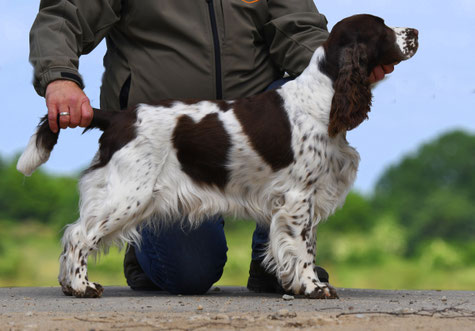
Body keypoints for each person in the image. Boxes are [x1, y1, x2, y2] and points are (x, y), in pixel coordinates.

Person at [30, 0, 394, 295]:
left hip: (255, 123)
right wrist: (58, 75)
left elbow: (297, 26)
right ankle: (129, 254)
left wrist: (341, 66)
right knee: (188, 274)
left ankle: (278, 265)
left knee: (298, 161)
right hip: (164, 136)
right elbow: (67, 11)